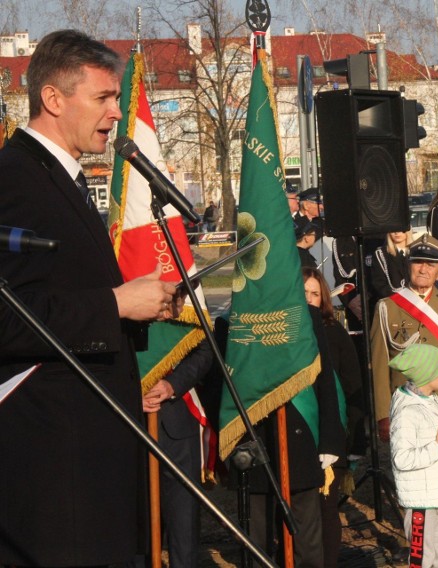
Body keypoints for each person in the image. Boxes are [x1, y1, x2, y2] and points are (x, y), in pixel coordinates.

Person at [0, 29, 182, 566]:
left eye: (118, 98)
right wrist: (117, 305)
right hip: (53, 469)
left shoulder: (60, 177)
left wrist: (141, 304)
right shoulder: (13, 179)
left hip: (92, 454)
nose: (116, 112)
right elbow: (7, 319)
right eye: (103, 97)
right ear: (53, 99)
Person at [370, 234, 438, 563]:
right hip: (408, 408)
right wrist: (381, 413)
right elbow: (378, 365)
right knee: (414, 473)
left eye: (430, 265)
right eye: (418, 262)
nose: (423, 269)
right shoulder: (388, 307)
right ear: (409, 265)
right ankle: (416, 536)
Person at [302, 268, 363, 568]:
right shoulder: (286, 335)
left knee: (326, 511)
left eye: (315, 294)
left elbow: (353, 387)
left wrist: (354, 440)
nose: (309, 300)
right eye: (303, 293)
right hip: (300, 434)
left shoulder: (334, 332)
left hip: (331, 434)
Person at [389, 344, 438, 568]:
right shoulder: (407, 412)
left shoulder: (432, 400)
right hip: (420, 500)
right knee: (422, 558)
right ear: (426, 375)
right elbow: (401, 459)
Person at [142, 341, 214, 568]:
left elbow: (204, 352)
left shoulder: (182, 306)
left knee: (184, 525)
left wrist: (173, 384)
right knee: (137, 526)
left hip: (178, 426)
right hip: (130, 422)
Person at [369, 230, 412, 313]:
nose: (397, 233)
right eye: (393, 230)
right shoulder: (381, 254)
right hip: (392, 305)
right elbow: (379, 283)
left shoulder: (417, 251)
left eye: (401, 230)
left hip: (415, 304)